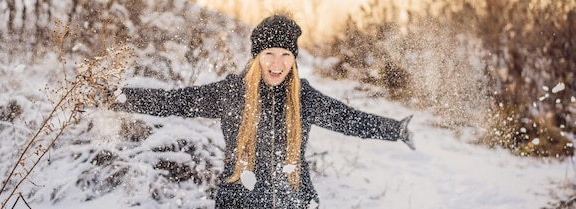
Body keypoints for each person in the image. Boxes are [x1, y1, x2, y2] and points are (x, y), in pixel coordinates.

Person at [110, 12, 415, 209]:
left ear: (294, 59)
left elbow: (348, 119)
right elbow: (174, 101)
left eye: (285, 54)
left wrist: (395, 129)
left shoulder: (303, 97)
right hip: (238, 201)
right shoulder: (230, 92)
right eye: (269, 53)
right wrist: (117, 97)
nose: (278, 63)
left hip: (296, 200)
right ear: (257, 57)